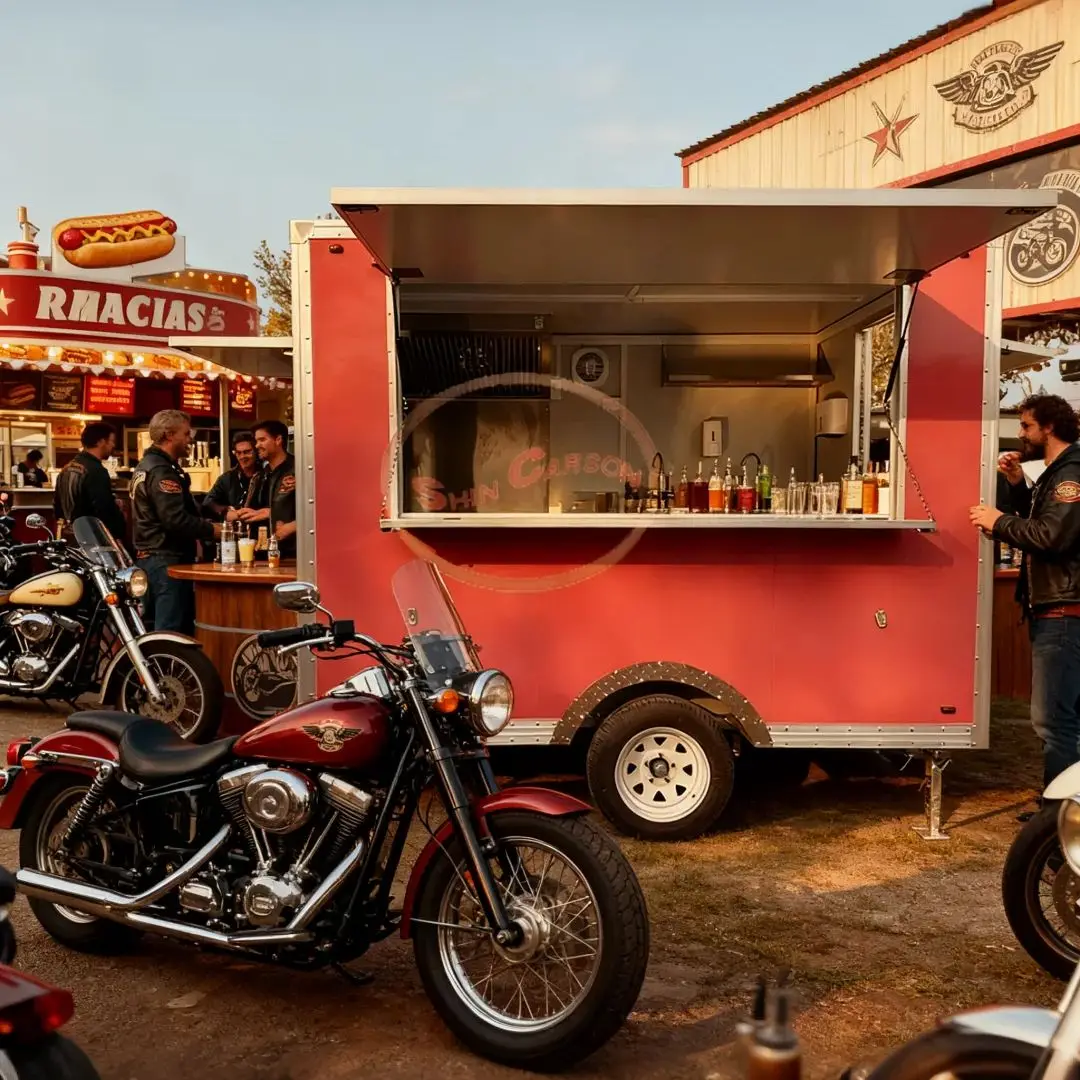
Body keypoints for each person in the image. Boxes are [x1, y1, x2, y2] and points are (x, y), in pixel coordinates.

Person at [970, 393, 1080, 807]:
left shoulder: (1072, 473)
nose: (1021, 434)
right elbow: (1041, 523)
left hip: (1064, 613)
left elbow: (1052, 536)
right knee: (1065, 719)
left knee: (1054, 721)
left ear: (1049, 427)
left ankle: (1056, 819)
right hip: (1058, 609)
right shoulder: (1056, 473)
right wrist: (1017, 487)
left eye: (1027, 426)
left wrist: (999, 521)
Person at [130, 410, 221, 634]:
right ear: (170, 435)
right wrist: (213, 530)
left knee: (155, 627)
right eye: (186, 434)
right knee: (171, 632)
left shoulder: (146, 465)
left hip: (149, 557)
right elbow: (175, 520)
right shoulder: (162, 471)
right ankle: (164, 669)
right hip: (166, 559)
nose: (190, 439)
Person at [53, 422, 127, 543]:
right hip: (91, 540)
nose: (113, 445)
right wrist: (119, 529)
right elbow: (104, 509)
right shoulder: (96, 471)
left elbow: (57, 506)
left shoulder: (66, 468)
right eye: (111, 441)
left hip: (69, 539)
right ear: (101, 442)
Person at [238, 419, 296, 558]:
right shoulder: (260, 476)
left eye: (262, 440)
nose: (257, 445)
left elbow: (316, 510)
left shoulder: (298, 469)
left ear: (278, 440)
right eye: (256, 441)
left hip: (291, 554)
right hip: (261, 554)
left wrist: (273, 514)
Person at [201, 430, 259, 522]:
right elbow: (208, 502)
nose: (242, 456)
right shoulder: (227, 478)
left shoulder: (266, 475)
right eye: (238, 453)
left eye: (247, 452)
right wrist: (225, 510)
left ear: (256, 451)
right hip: (235, 529)